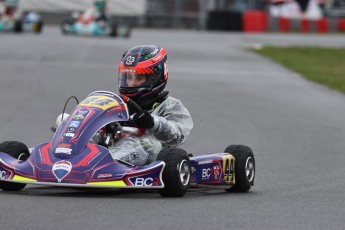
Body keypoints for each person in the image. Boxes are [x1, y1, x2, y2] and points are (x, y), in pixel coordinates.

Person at [107, 45, 193, 165]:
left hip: (155, 155)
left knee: (143, 143)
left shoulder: (170, 105)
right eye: (128, 78)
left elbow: (179, 135)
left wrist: (153, 123)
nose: (131, 83)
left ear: (155, 78)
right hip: (114, 145)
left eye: (139, 78)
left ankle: (111, 164)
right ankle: (77, 160)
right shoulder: (118, 103)